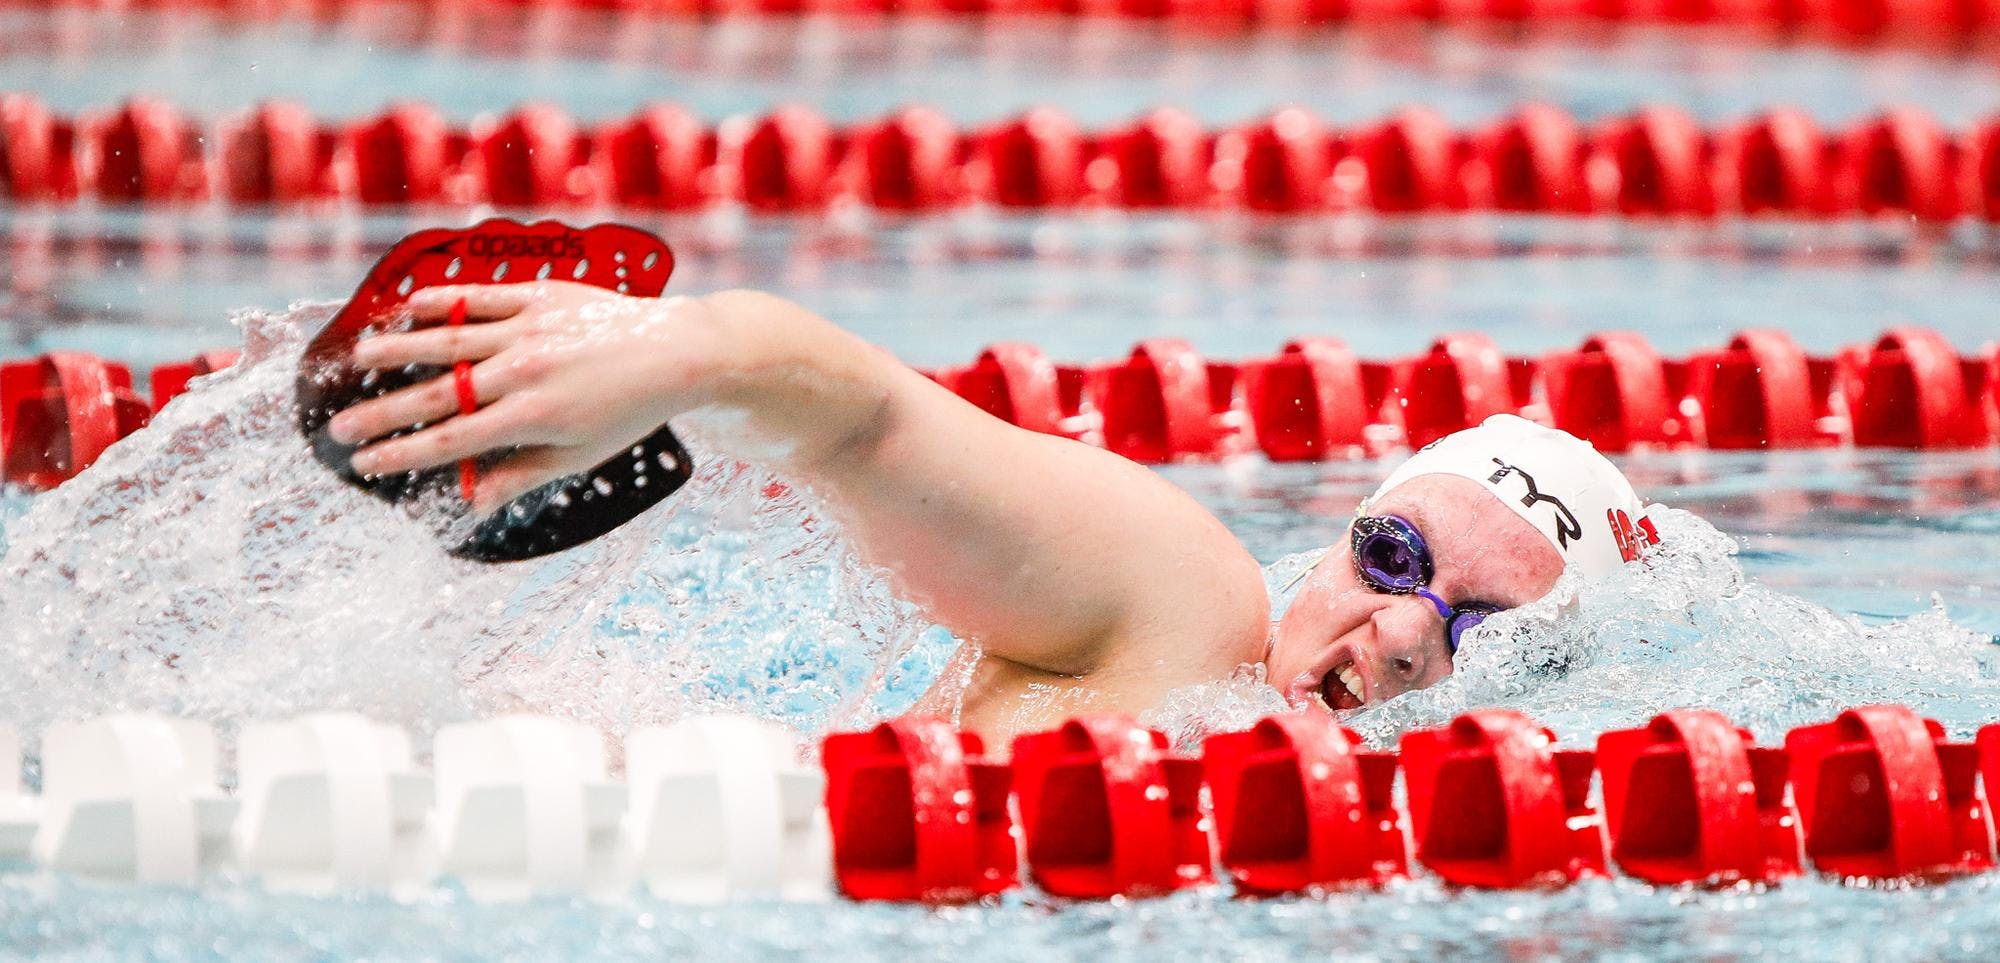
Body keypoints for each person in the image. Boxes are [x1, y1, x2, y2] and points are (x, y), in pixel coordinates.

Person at [324, 283, 1659, 742]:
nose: (1408, 637)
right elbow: (872, 417)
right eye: (1392, 557)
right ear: (1332, 542)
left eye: (1483, 628)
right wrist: (697, 354)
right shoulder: (1185, 618)